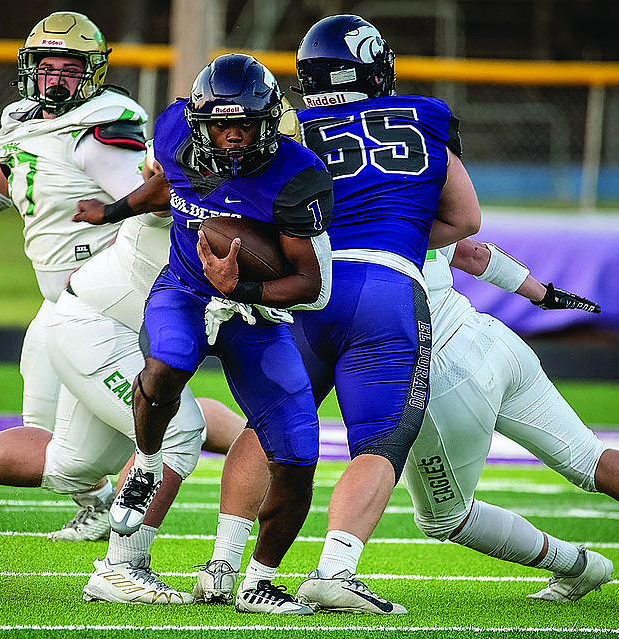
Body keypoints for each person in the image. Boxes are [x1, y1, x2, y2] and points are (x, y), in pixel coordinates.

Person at [0, 13, 244, 604]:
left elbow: (156, 194)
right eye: (45, 66)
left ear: (94, 73)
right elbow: (10, 174)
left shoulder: (102, 132)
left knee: (70, 463)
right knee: (170, 429)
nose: (53, 80)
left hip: (99, 303)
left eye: (69, 68)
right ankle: (124, 566)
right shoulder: (26, 124)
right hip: (87, 311)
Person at [192, 14, 480, 614]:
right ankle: (335, 571)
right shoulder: (424, 116)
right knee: (379, 441)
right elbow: (465, 221)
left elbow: (238, 199)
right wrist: (397, 228)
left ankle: (222, 565)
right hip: (385, 287)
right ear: (377, 67)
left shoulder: (288, 126)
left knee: (269, 423)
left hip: (303, 286)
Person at [75, 53, 335, 614]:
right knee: (165, 363)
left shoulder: (297, 176)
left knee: (298, 449)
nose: (234, 137)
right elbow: (166, 183)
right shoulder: (174, 130)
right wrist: (114, 210)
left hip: (256, 314)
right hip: (187, 293)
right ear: (200, 123)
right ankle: (146, 464)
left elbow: (310, 285)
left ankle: (258, 580)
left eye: (245, 124)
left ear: (270, 122)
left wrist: (237, 288)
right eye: (222, 124)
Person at [402, 238, 619, 602]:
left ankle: (578, 565)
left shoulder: (333, 212)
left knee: (443, 518)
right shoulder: (411, 190)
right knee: (590, 459)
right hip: (491, 339)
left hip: (439, 369)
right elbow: (474, 253)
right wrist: (543, 294)